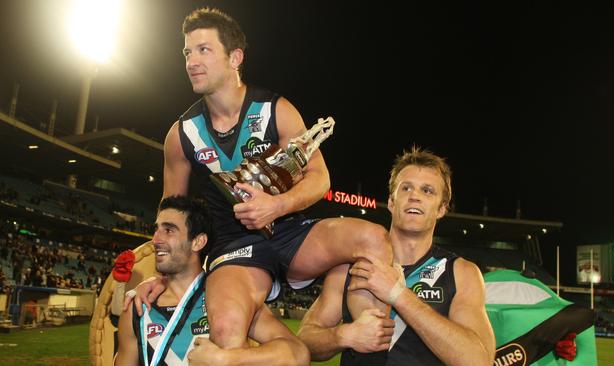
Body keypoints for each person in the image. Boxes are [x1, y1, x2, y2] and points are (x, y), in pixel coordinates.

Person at [130, 6, 392, 351]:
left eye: (204, 50)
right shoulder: (181, 136)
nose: (192, 61)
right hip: (232, 248)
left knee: (373, 238)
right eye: (187, 52)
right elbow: (171, 216)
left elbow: (320, 178)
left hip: (288, 233)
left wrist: (277, 205)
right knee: (224, 330)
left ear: (234, 57)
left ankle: (367, 346)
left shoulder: (275, 109)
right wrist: (161, 275)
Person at [298, 147, 496, 365]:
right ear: (391, 203)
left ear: (441, 209)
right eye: (406, 188)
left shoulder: (462, 273)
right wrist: (344, 335)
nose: (414, 196)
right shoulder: (350, 267)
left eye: (427, 191)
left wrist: (398, 295)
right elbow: (304, 340)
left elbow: (479, 361)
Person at [116, 196, 309, 366]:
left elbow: (297, 353)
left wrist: (226, 359)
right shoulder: (139, 307)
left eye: (169, 230)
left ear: (198, 242)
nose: (155, 239)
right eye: (156, 229)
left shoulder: (229, 297)